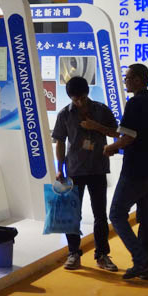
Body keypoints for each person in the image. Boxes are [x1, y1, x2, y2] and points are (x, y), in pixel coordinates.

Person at [98, 63, 148, 280]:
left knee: (117, 213)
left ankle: (141, 260)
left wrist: (110, 147)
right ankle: (145, 267)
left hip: (135, 170)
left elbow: (128, 137)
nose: (125, 81)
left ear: (138, 80)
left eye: (128, 77)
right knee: (146, 218)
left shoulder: (134, 104)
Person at [51, 76, 119, 272]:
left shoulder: (101, 110)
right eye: (75, 99)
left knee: (100, 214)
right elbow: (60, 141)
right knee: (73, 214)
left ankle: (102, 255)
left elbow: (116, 133)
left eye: (82, 98)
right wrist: (59, 168)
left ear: (87, 93)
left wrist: (96, 126)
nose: (79, 102)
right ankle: (73, 253)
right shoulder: (64, 114)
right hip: (74, 170)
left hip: (98, 167)